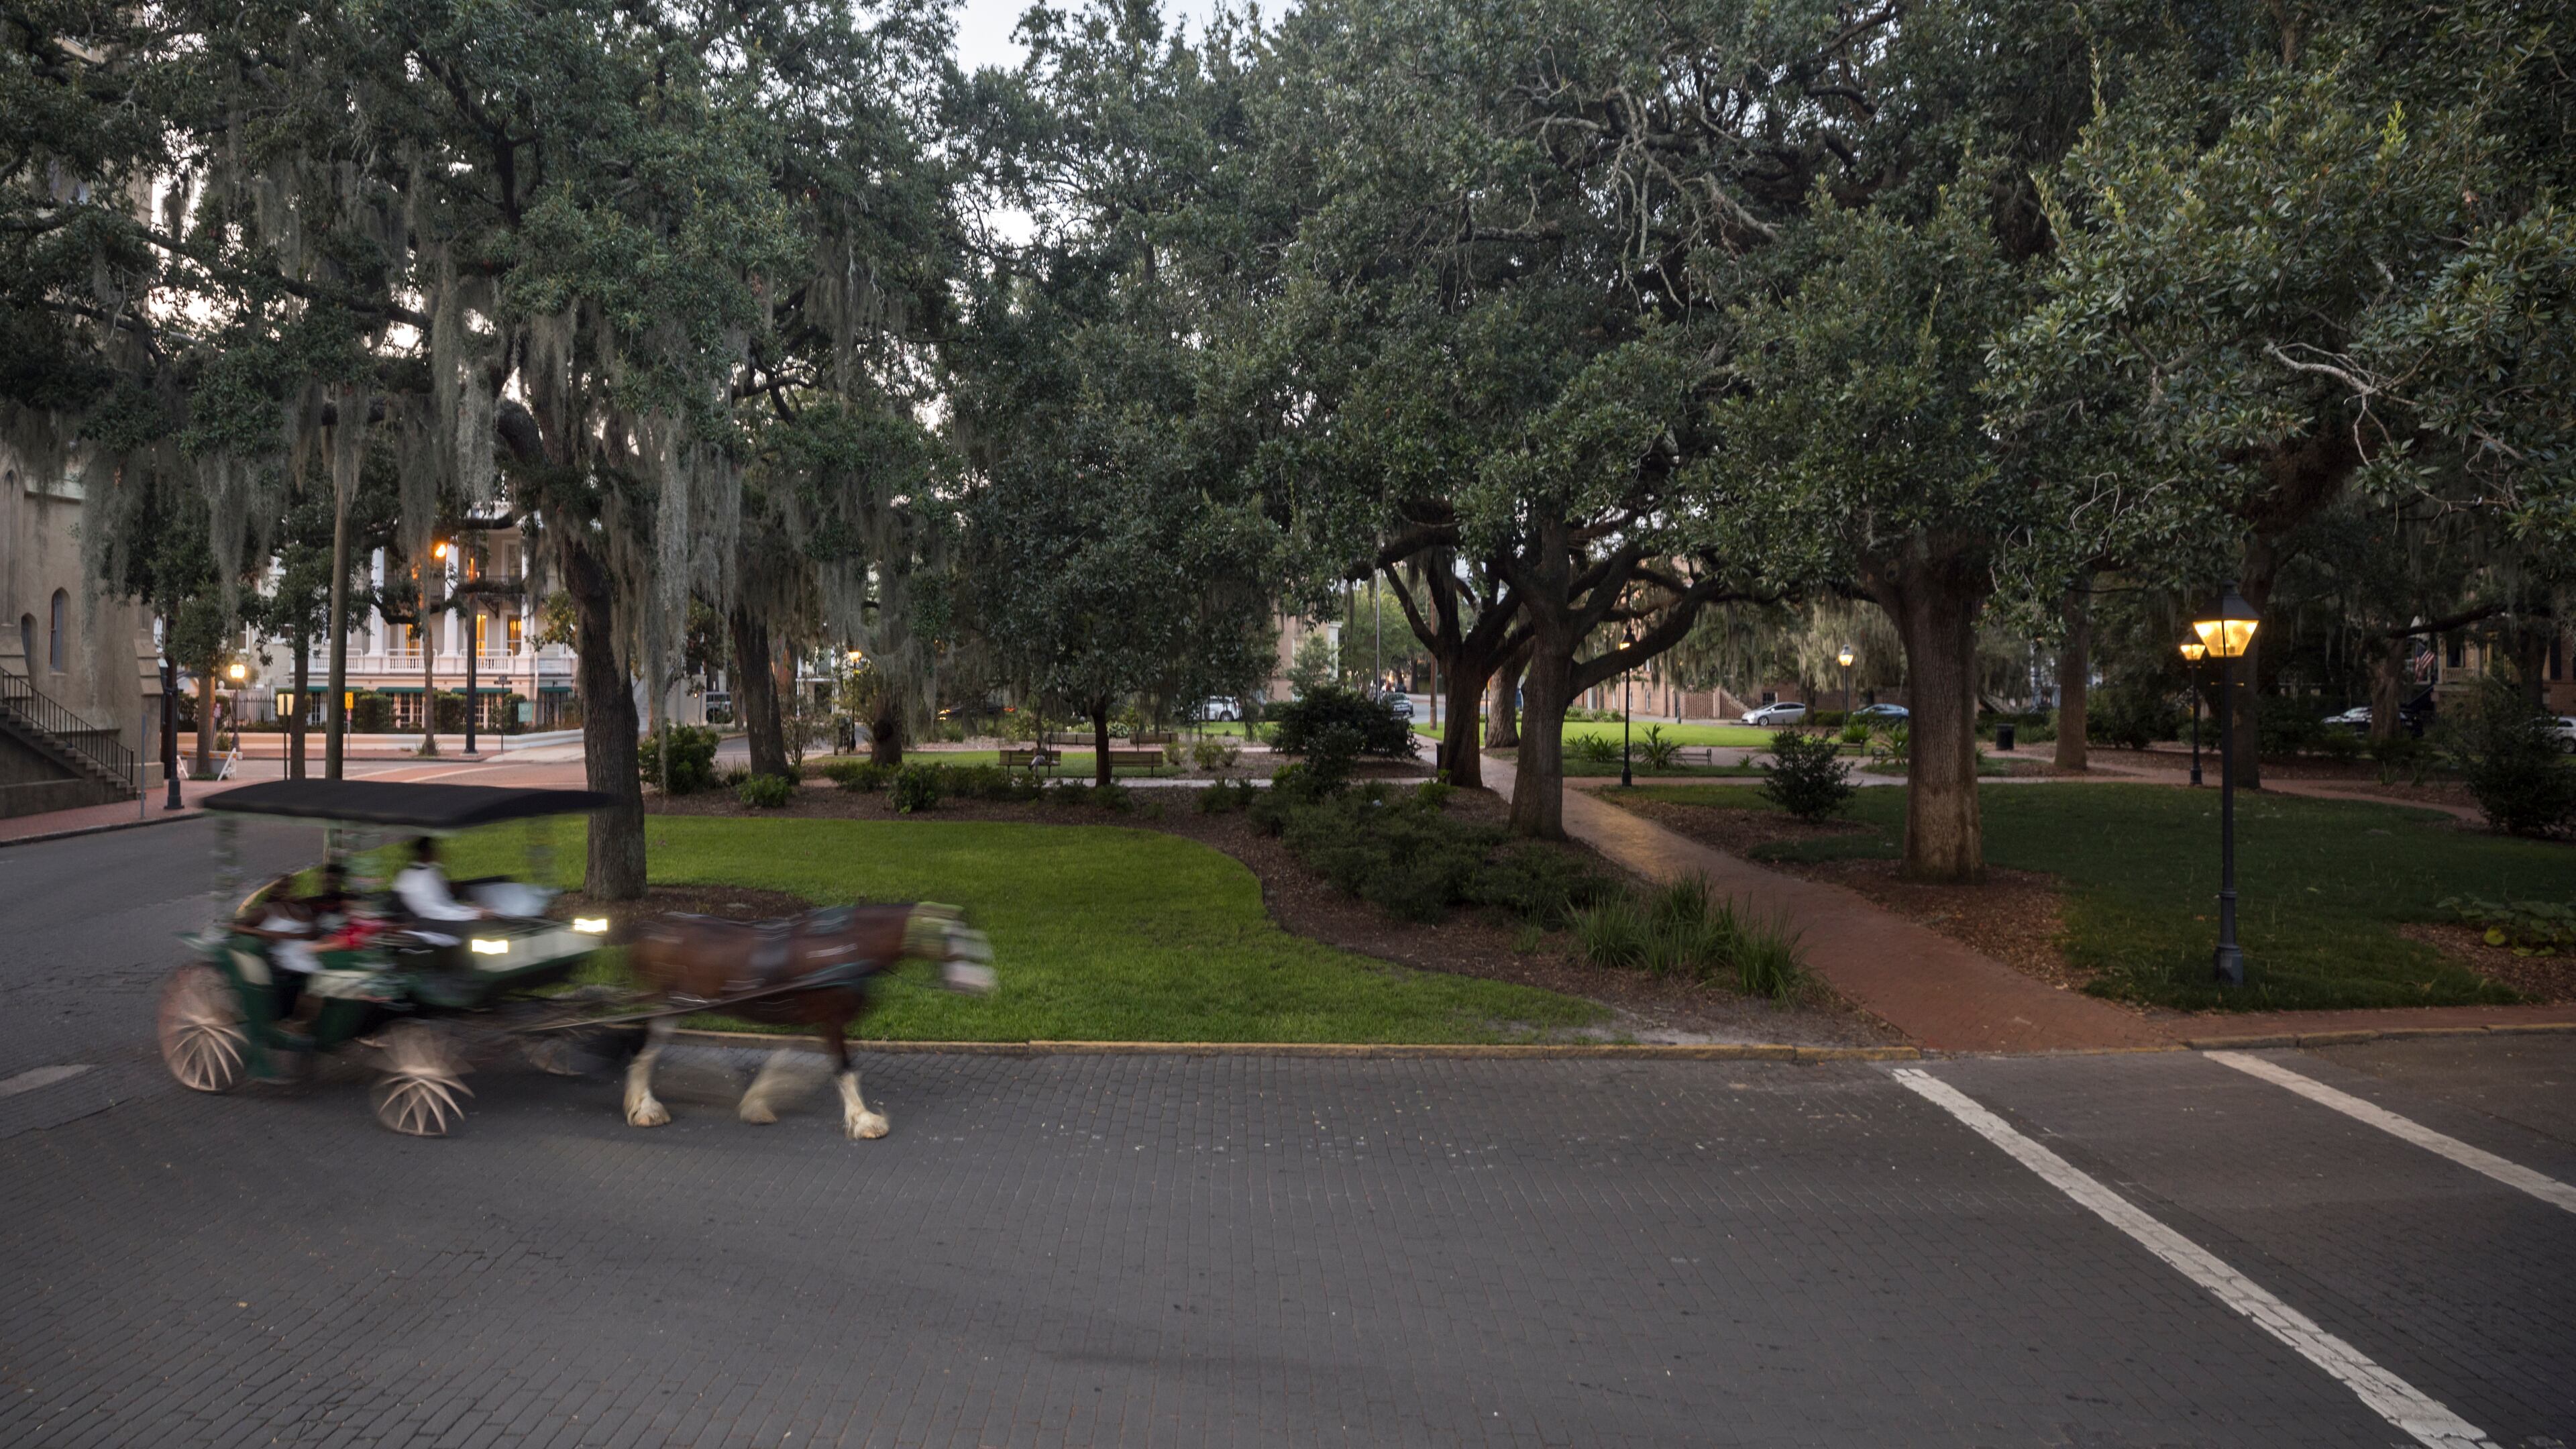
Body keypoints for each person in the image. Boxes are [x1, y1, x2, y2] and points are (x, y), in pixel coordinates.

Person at [392, 836, 490, 942]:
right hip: (433, 923)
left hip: (437, 919)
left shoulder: (424, 873)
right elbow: (436, 910)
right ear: (428, 852)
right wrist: (473, 914)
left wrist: (472, 911)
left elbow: (445, 905)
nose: (440, 853)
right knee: (485, 931)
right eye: (436, 850)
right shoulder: (423, 877)